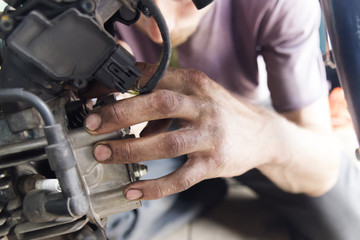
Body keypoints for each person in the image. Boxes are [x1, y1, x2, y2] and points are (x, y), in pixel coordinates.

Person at [83, 0, 360, 239]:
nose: (159, 26)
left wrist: (262, 135)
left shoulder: (280, 5)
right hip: (151, 125)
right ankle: (201, 192)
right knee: (92, 223)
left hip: (252, 117)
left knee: (349, 225)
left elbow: (321, 166)